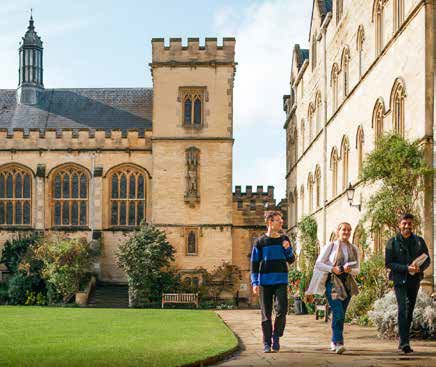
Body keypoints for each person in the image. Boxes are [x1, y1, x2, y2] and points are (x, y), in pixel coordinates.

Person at [306, 222, 360, 354]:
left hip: (347, 284)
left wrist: (348, 270)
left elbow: (358, 270)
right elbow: (318, 264)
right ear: (338, 231)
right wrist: (333, 269)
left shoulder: (354, 248)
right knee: (338, 313)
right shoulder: (331, 246)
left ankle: (333, 340)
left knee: (341, 314)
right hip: (333, 282)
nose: (346, 232)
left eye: (349, 230)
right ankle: (338, 342)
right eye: (343, 230)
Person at [385, 213, 430, 354]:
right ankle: (404, 343)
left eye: (409, 224)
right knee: (403, 309)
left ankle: (403, 341)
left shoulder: (419, 241)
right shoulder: (392, 242)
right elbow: (389, 263)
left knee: (409, 312)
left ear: (412, 225)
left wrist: (419, 268)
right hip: (399, 280)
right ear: (399, 225)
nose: (407, 226)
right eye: (404, 223)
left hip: (414, 280)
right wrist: (406, 268)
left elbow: (427, 260)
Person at [250, 211, 295, 353]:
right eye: (278, 220)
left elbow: (292, 259)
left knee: (282, 310)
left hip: (281, 280)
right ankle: (266, 343)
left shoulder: (284, 239)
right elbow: (254, 264)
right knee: (266, 313)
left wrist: (288, 249)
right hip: (265, 282)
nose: (281, 222)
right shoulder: (260, 242)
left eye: (281, 220)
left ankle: (276, 337)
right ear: (270, 222)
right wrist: (255, 283)